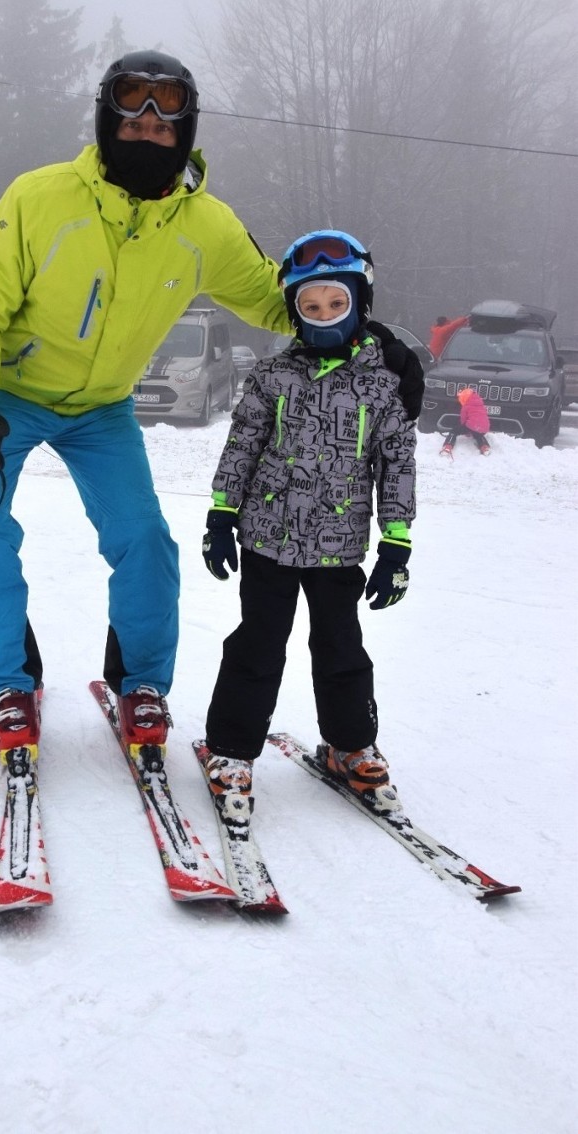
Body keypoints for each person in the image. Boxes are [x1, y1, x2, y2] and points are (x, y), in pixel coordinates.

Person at [0, 52, 424, 761]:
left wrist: (372, 337)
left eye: (167, 113)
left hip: (103, 409)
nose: (149, 124)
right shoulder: (38, 200)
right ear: (107, 118)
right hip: (13, 399)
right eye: (132, 109)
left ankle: (141, 682)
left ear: (188, 127)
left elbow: (274, 299)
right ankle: (9, 686)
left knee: (145, 540)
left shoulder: (207, 225)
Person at [200, 230, 416, 815]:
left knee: (341, 647)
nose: (323, 317)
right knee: (258, 645)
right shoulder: (272, 377)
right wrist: (221, 516)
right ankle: (230, 748)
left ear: (360, 305)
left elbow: (397, 467)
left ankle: (349, 745)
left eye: (336, 304)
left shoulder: (382, 386)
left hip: (340, 548)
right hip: (267, 541)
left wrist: (396, 547)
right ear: (295, 312)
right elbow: (241, 447)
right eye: (310, 306)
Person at [440, 387, 491, 457]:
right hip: (485, 427)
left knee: (454, 431)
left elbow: (463, 419)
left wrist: (465, 429)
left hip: (472, 425)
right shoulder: (481, 405)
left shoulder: (466, 406)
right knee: (478, 434)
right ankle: (485, 448)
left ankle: (447, 447)